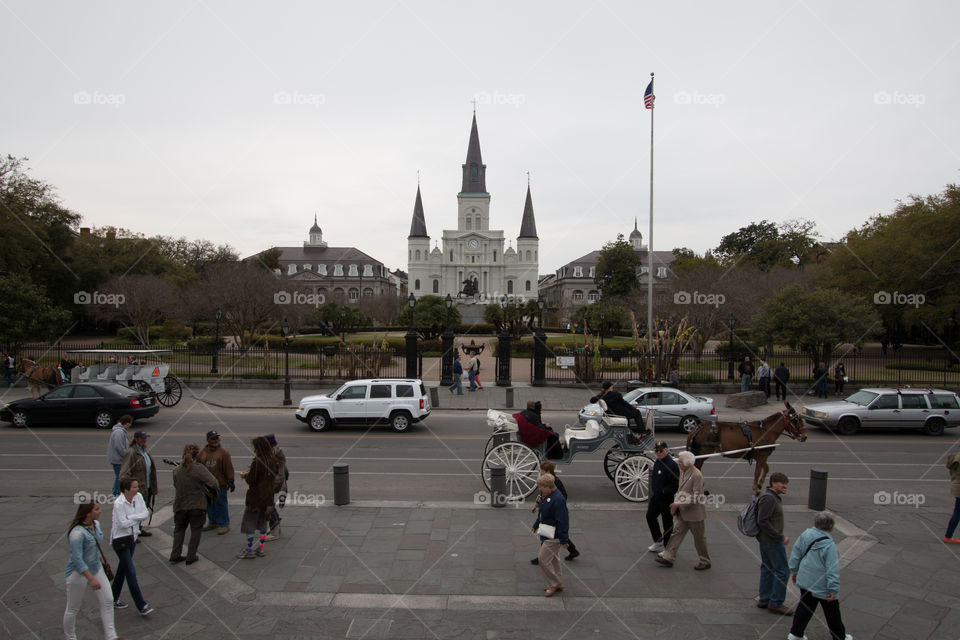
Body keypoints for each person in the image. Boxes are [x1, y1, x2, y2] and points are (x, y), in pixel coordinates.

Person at [64, 502, 131, 640]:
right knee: (72, 609)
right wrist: (91, 578)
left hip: (95, 567)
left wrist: (98, 560)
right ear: (88, 513)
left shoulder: (96, 525)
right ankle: (70, 637)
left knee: (108, 600)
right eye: (97, 509)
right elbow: (77, 559)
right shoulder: (76, 534)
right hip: (77, 573)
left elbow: (94, 546)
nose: (100, 511)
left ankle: (111, 637)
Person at [787, 512, 852, 640]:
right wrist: (833, 589)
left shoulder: (805, 534)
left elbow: (796, 553)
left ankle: (796, 633)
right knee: (832, 611)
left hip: (805, 578)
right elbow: (832, 569)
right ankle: (839, 636)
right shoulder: (829, 545)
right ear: (831, 527)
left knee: (805, 605)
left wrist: (794, 571)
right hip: (821, 584)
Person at [655, 451, 711, 570]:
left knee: (699, 539)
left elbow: (697, 496)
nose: (678, 463)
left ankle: (705, 560)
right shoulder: (684, 471)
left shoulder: (697, 475)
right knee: (676, 534)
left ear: (688, 464)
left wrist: (677, 504)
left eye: (680, 461)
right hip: (683, 512)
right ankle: (668, 557)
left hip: (695, 515)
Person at [110, 477, 153, 615]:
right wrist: (136, 517)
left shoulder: (138, 497)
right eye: (134, 487)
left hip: (132, 537)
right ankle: (141, 605)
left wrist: (132, 518)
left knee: (122, 570)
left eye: (137, 486)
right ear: (126, 490)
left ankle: (112, 598)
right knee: (130, 572)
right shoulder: (119, 503)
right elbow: (122, 523)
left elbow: (145, 513)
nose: (137, 489)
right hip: (120, 540)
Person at [170, 443, 219, 565]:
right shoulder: (198, 469)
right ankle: (191, 556)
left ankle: (175, 554)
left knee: (179, 530)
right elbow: (214, 483)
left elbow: (176, 485)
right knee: (196, 530)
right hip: (196, 504)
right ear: (197, 455)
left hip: (180, 504)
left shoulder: (176, 470)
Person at [236, 436, 282, 559]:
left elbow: (251, 480)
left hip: (255, 497)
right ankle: (260, 549)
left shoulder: (258, 461)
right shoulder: (273, 460)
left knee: (249, 523)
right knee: (263, 523)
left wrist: (245, 475)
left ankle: (249, 549)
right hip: (268, 497)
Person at [756, 471, 793, 615]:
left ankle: (764, 599)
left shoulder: (770, 497)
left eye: (786, 483)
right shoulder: (770, 499)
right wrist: (780, 536)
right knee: (782, 571)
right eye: (782, 483)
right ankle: (776, 602)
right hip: (771, 541)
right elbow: (762, 520)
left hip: (766, 540)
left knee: (768, 568)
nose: (785, 486)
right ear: (773, 483)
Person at [530, 461, 579, 564]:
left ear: (548, 471)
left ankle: (542, 557)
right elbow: (542, 495)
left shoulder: (554, 482)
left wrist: (553, 504)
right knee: (554, 534)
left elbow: (562, 496)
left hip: (552, 511)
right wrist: (536, 505)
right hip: (548, 509)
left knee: (550, 534)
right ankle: (572, 550)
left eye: (542, 470)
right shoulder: (544, 481)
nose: (541, 472)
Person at [531, 473, 570, 597]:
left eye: (541, 487)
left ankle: (553, 584)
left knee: (543, 559)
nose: (540, 490)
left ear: (548, 487)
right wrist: (536, 525)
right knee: (554, 560)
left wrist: (564, 539)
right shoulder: (548, 496)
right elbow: (543, 513)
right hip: (548, 533)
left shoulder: (558, 500)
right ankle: (557, 582)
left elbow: (562, 520)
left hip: (553, 536)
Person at [118, 431, 157, 537]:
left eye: (145, 438)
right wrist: (131, 488)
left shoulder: (144, 451)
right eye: (142, 438)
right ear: (136, 439)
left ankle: (138, 529)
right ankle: (133, 532)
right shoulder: (131, 453)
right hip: (137, 490)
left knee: (142, 509)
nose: (145, 440)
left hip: (147, 487)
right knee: (135, 512)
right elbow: (124, 474)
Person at [198, 430, 235, 535]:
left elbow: (228, 468)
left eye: (217, 438)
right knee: (210, 504)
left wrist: (231, 481)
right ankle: (213, 522)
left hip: (220, 484)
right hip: (207, 485)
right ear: (208, 440)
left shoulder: (223, 453)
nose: (216, 440)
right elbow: (198, 466)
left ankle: (224, 524)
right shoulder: (203, 452)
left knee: (221, 504)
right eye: (213, 438)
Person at [646, 441, 680, 554]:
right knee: (650, 517)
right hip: (656, 497)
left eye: (661, 450)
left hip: (666, 498)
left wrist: (664, 491)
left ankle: (667, 548)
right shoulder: (658, 461)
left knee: (667, 523)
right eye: (657, 451)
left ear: (666, 450)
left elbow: (675, 484)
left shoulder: (672, 465)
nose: (658, 453)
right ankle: (658, 541)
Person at [263, 433, 288, 541]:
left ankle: (275, 531)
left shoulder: (278, 454)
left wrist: (270, 487)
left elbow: (281, 475)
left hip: (272, 485)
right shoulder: (271, 453)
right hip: (269, 484)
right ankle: (275, 528)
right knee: (268, 507)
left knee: (269, 507)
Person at [106, 415, 133, 497]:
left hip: (119, 458)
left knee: (120, 476)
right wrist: (126, 455)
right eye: (130, 423)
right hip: (118, 459)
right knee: (120, 476)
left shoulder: (121, 431)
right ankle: (115, 492)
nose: (130, 425)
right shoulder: (119, 432)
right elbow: (119, 447)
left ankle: (116, 492)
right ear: (127, 423)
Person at [945, 447, 960, 544]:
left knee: (957, 512)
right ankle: (948, 536)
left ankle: (948, 536)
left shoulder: (956, 458)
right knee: (957, 513)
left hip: (956, 486)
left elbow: (951, 472)